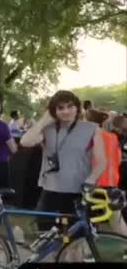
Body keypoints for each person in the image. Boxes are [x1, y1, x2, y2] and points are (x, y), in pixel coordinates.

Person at [21, 90, 106, 231]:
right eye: (60, 108)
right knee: (46, 237)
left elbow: (101, 161)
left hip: (78, 192)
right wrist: (44, 120)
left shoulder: (91, 128)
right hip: (50, 190)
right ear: (54, 110)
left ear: (77, 108)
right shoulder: (47, 128)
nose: (66, 111)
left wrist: (92, 179)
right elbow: (25, 142)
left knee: (75, 241)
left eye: (70, 106)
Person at [86, 109, 121, 188]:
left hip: (91, 183)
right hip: (111, 181)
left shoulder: (86, 137)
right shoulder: (113, 137)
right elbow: (118, 159)